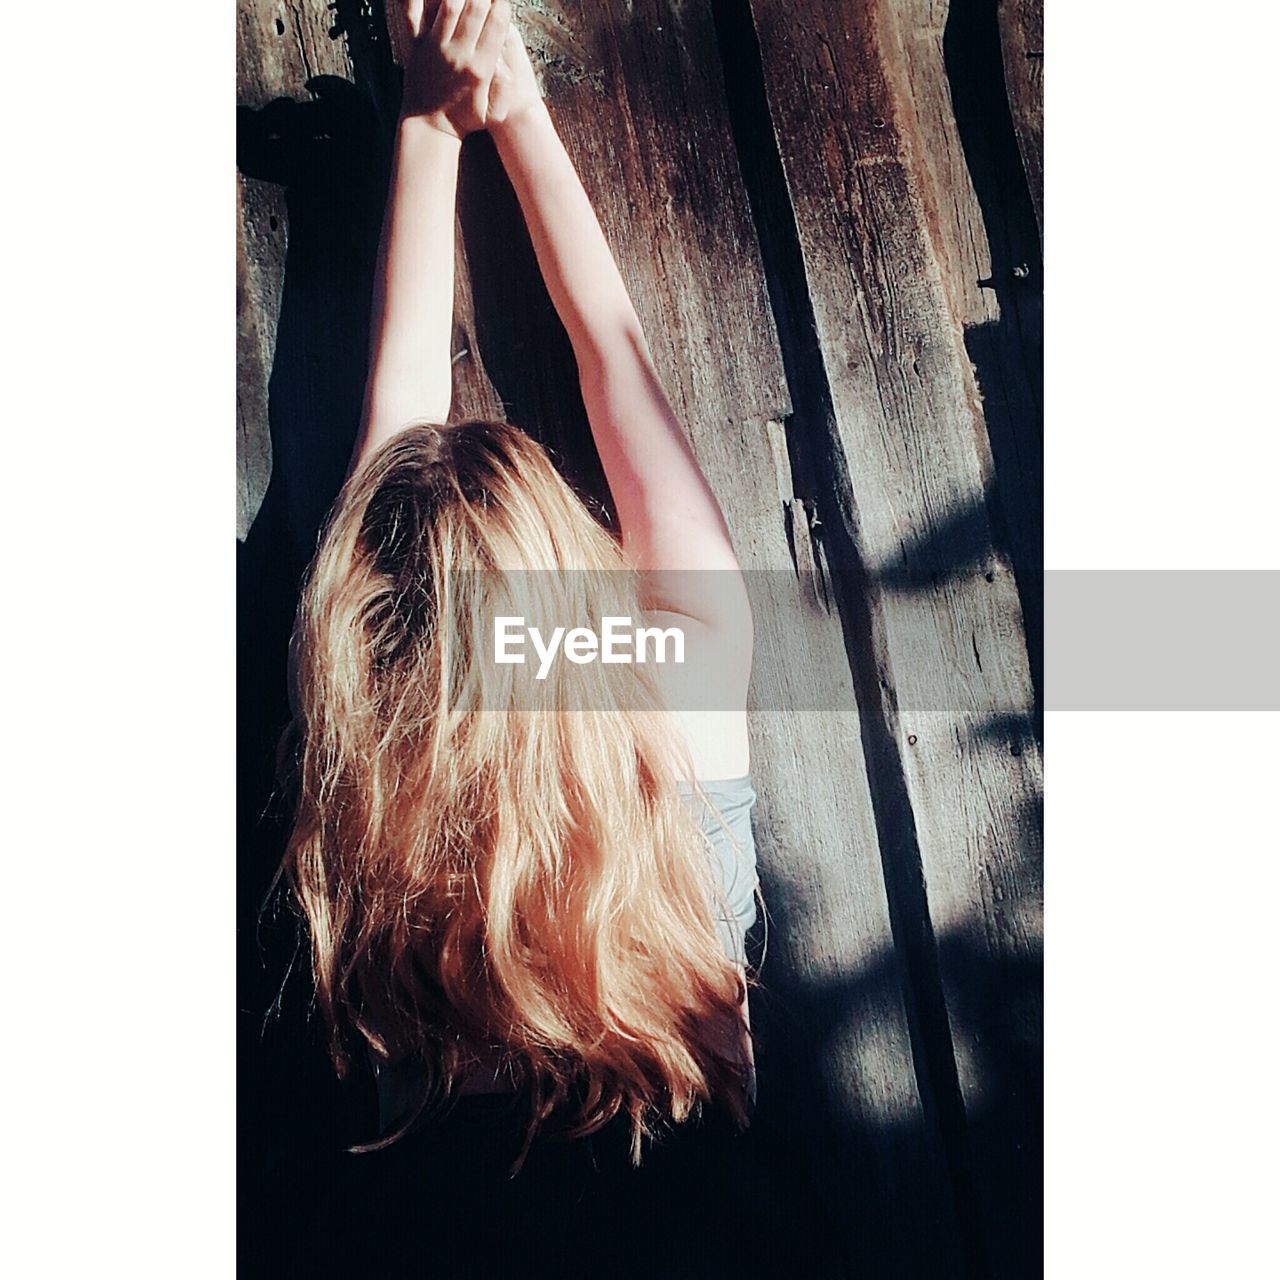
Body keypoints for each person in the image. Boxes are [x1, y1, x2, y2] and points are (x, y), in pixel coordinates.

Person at [271, 4, 847, 1276]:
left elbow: (398, 416)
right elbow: (614, 355)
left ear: (380, 610)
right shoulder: (664, 681)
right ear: (566, 559)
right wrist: (499, 113)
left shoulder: (374, 775)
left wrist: (429, 130)